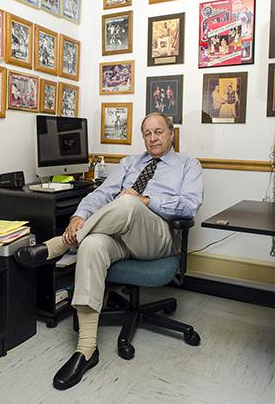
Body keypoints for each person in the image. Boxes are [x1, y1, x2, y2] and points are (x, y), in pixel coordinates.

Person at [15, 113, 203, 390]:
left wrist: (145, 199)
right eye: (147, 133)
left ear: (171, 134)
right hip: (121, 236)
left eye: (159, 132)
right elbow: (101, 194)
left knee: (128, 201)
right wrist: (80, 215)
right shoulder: (130, 163)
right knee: (91, 244)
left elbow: (189, 206)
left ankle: (59, 245)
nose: (153, 138)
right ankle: (87, 349)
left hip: (158, 237)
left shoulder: (188, 165)